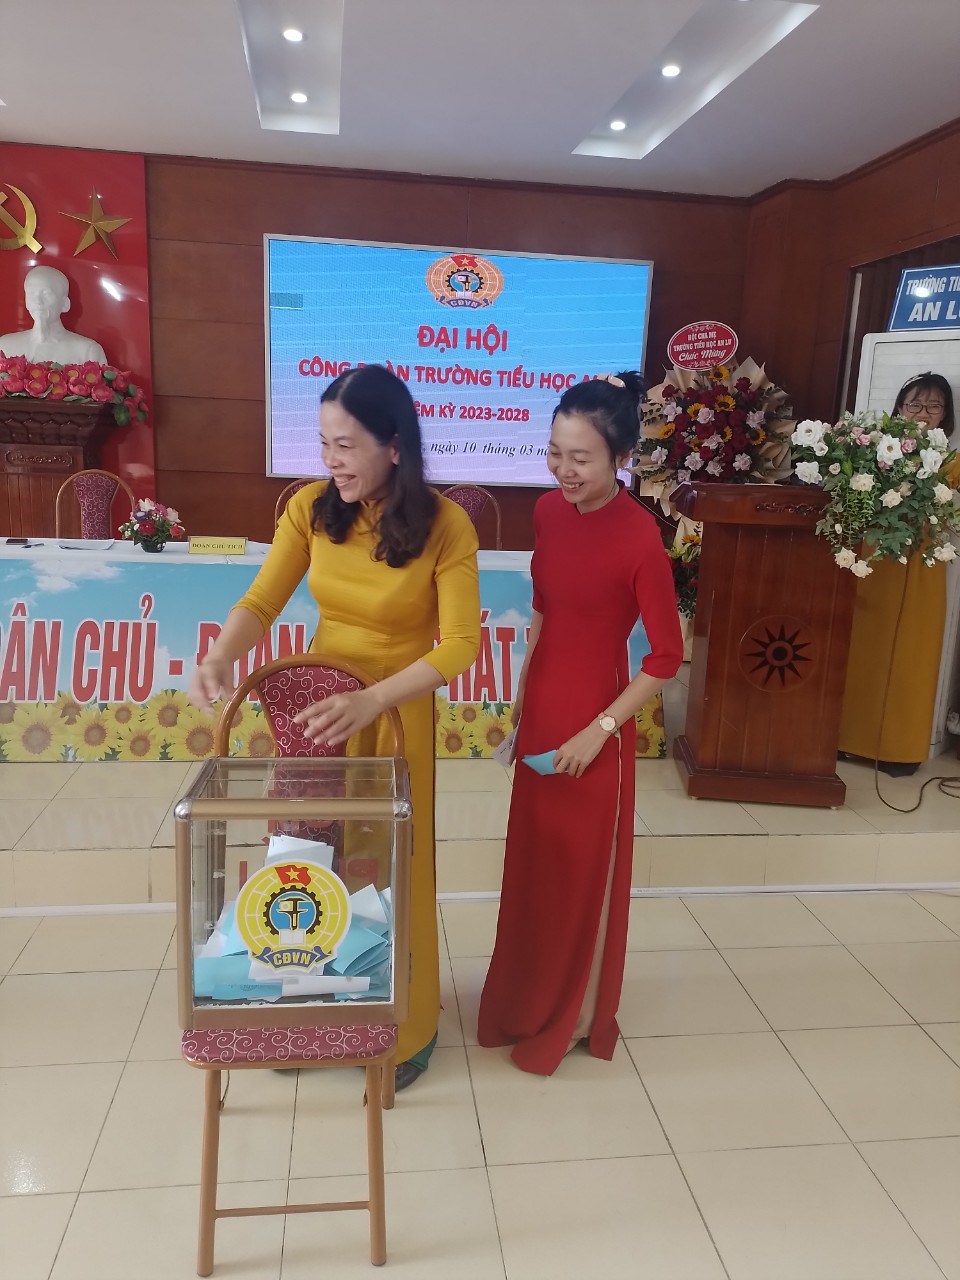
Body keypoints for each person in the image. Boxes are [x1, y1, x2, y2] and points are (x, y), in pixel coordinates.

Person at [190, 364, 481, 1090]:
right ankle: (304, 1012)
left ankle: (402, 1032)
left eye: (346, 446)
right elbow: (262, 601)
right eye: (324, 444)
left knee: (388, 871)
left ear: (394, 444)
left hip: (393, 715)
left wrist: (375, 699)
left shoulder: (447, 526)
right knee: (306, 861)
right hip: (320, 716)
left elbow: (458, 647)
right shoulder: (312, 511)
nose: (332, 461)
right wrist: (221, 652)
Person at [477, 372, 683, 1075]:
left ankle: (578, 1012)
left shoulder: (639, 537)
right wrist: (520, 692)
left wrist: (601, 729)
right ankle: (524, 1002)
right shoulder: (547, 512)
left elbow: (665, 657)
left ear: (621, 458)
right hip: (544, 708)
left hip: (597, 719)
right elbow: (544, 606)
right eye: (555, 453)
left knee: (580, 872)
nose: (564, 470)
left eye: (581, 458)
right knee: (535, 867)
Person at [839, 372, 958, 776]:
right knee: (862, 644)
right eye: (914, 404)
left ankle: (898, 749)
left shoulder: (951, 461)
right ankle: (846, 738)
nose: (923, 413)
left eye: (934, 406)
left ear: (945, 414)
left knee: (912, 653)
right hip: (874, 557)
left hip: (921, 564)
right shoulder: (876, 449)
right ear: (900, 409)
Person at [0, 265, 107, 363]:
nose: (38, 301)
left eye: (46, 293)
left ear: (65, 303)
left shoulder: (88, 352)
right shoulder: (5, 346)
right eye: (31, 293)